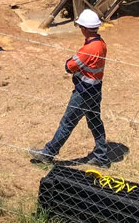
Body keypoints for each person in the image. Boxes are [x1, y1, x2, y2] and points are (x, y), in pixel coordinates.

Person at [30, 9, 109, 166]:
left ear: (85, 29)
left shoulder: (88, 49)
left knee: (67, 123)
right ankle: (102, 156)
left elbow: (69, 66)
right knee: (94, 122)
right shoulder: (101, 44)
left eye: (81, 27)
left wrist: (70, 63)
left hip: (83, 92)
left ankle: (48, 153)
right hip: (95, 90)